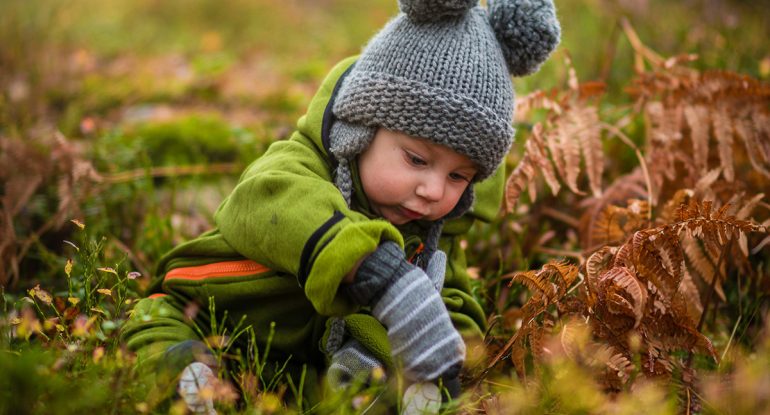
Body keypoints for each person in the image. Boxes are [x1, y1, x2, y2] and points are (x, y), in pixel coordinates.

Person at [121, 0, 560, 413]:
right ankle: (187, 377)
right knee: (158, 326)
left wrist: (436, 361)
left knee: (376, 379)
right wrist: (377, 272)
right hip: (206, 309)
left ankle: (340, 384)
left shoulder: (432, 232)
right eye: (416, 159)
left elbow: (453, 305)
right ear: (360, 129)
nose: (432, 190)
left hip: (300, 368)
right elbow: (262, 200)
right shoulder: (300, 166)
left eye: (457, 176)